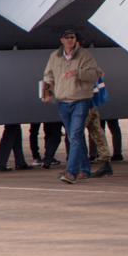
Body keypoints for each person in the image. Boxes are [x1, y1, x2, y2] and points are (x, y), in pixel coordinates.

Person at [42, 29, 102, 184]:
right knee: (74, 136)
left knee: (74, 136)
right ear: (62, 40)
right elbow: (48, 75)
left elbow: (96, 74)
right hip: (63, 102)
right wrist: (47, 92)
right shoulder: (55, 56)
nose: (69, 39)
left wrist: (77, 72)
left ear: (76, 39)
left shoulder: (85, 55)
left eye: (72, 37)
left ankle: (71, 172)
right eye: (66, 37)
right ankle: (85, 170)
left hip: (80, 100)